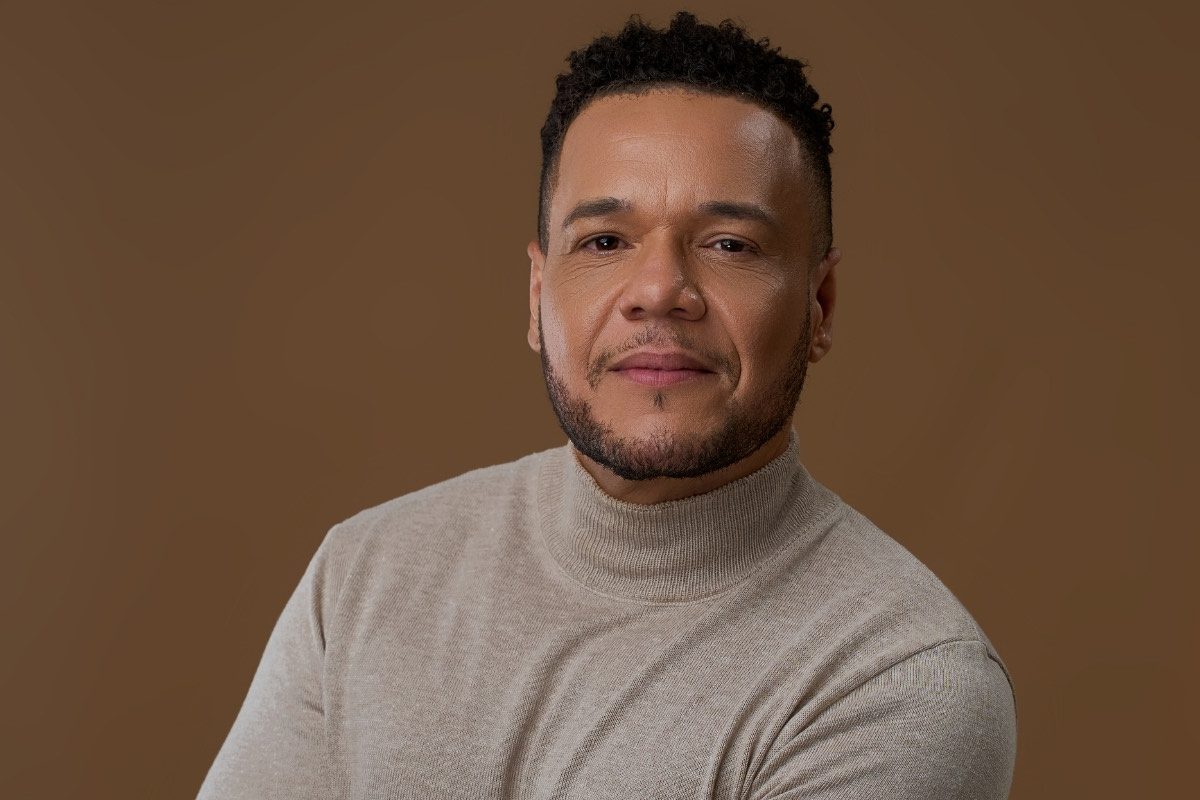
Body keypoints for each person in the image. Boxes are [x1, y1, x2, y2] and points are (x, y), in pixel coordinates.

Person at [198, 11, 1017, 799]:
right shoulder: (365, 576)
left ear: (820, 306)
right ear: (536, 295)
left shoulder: (900, 677)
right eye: (604, 242)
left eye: (729, 244)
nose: (659, 290)